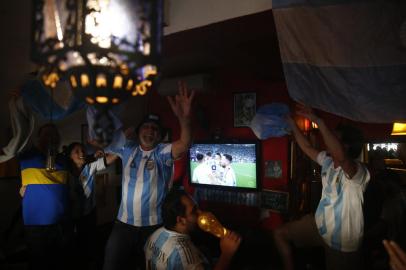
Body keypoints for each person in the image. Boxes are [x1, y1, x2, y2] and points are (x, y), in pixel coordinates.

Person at [103, 81, 195, 270]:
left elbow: (184, 144)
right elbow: (102, 141)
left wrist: (184, 119)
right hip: (123, 225)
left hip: (153, 227)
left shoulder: (162, 152)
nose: (150, 131)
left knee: (147, 266)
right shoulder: (127, 148)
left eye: (155, 129)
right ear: (138, 131)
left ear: (160, 136)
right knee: (111, 265)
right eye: (146, 126)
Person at [273, 104, 370, 270]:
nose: (327, 142)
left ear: (345, 146)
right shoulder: (327, 161)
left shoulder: (359, 172)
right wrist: (291, 124)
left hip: (342, 241)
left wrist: (319, 121)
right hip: (321, 226)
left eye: (334, 138)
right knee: (279, 233)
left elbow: (343, 159)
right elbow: (307, 147)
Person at [144, 189, 241, 270]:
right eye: (194, 210)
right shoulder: (185, 255)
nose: (201, 212)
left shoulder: (155, 235)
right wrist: (227, 254)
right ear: (181, 220)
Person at [19, 123, 72, 270]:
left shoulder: (64, 160)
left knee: (60, 263)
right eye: (47, 134)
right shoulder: (26, 156)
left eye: (55, 135)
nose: (51, 138)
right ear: (38, 138)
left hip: (61, 224)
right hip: (35, 226)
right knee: (38, 264)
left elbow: (66, 191)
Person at [65, 142, 118, 268]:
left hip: (88, 214)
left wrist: (111, 149)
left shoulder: (90, 167)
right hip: (69, 216)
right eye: (77, 151)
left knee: (89, 244)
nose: (81, 153)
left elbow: (113, 157)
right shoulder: (64, 173)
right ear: (69, 156)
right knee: (72, 247)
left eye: (83, 150)